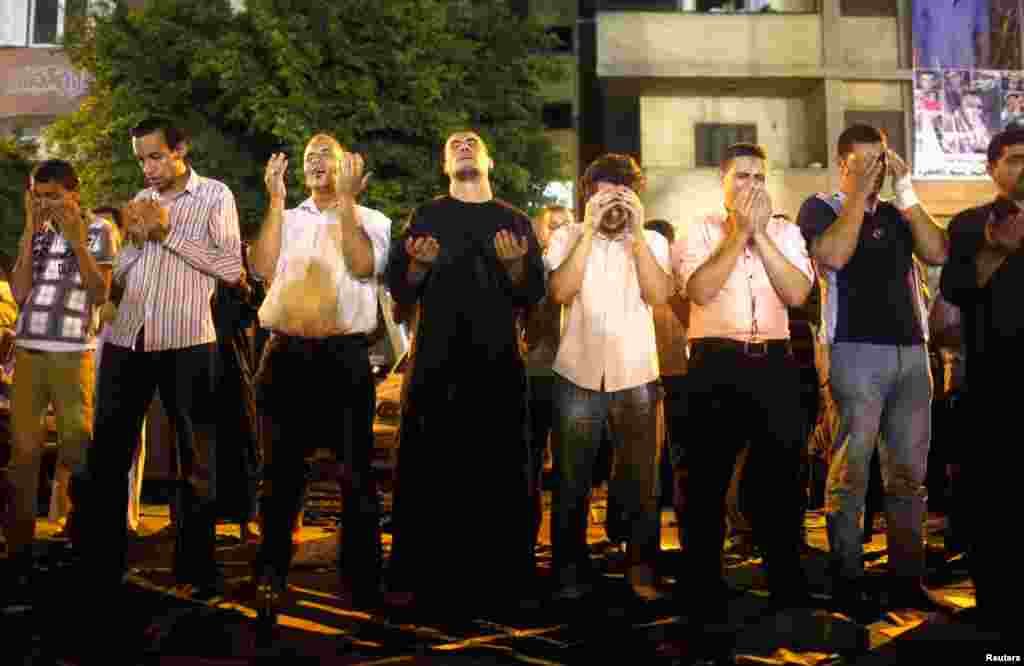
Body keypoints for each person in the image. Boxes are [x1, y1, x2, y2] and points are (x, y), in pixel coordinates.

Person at [77, 117, 243, 601]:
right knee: (108, 456)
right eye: (141, 160)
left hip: (188, 340)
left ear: (180, 150)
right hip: (128, 339)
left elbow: (232, 267)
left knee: (195, 462)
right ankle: (102, 564)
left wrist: (166, 234)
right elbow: (126, 267)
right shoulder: (140, 203)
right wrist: (128, 245)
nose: (147, 168)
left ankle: (196, 571)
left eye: (155, 157)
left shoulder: (215, 196)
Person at [385, 130, 545, 613]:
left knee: (502, 470)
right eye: (454, 144)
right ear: (444, 165)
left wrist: (516, 267)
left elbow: (532, 294)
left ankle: (505, 578)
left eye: (472, 142)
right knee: (427, 470)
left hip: (497, 365)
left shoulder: (513, 221)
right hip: (435, 365)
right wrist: (415, 267)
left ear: (490, 161)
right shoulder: (427, 217)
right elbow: (401, 292)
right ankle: (421, 578)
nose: (463, 146)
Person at [797, 124, 948, 617]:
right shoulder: (820, 207)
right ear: (843, 164)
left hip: (911, 352)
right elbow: (835, 255)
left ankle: (908, 579)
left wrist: (904, 191)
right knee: (851, 471)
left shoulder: (898, 211)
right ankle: (848, 579)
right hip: (854, 351)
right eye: (863, 162)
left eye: (880, 161)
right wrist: (858, 195)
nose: (874, 171)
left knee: (909, 474)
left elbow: (937, 251)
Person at [676, 143, 813, 655]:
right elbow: (701, 290)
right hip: (715, 359)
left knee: (781, 477)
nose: (751, 185)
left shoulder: (787, 230)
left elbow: (798, 294)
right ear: (723, 182)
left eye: (758, 176)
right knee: (705, 480)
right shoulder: (701, 232)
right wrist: (739, 234)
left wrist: (761, 234)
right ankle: (702, 588)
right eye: (741, 177)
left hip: (774, 361)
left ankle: (787, 585)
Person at [249, 133, 391, 610]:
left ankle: (362, 580)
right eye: (308, 157)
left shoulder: (372, 220)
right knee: (279, 473)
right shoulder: (285, 219)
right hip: (284, 354)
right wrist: (273, 200)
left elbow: (362, 262)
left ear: (349, 166)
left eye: (325, 156)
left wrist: (346, 203)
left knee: (355, 473)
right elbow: (261, 266)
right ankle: (271, 570)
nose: (314, 163)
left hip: (343, 358)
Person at [545, 154, 673, 602]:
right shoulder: (566, 236)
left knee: (642, 481)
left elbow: (659, 295)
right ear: (588, 195)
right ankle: (567, 569)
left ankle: (641, 567)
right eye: (605, 192)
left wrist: (636, 234)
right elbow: (560, 291)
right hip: (577, 372)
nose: (614, 203)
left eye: (624, 192)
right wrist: (587, 230)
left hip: (637, 371)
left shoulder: (653, 240)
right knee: (571, 479)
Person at [1, 160, 115, 598]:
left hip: (72, 354)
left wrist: (75, 243)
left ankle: (83, 543)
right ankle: (19, 550)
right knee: (23, 454)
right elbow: (21, 291)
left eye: (52, 195)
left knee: (76, 450)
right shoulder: (37, 230)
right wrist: (31, 231)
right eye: (38, 195)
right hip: (29, 352)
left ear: (74, 193)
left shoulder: (100, 229)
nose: (45, 203)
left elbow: (100, 291)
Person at [939, 127, 1024, 634]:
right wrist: (998, 252)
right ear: (992, 169)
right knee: (994, 505)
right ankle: (997, 620)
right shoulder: (971, 224)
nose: (1022, 169)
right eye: (1013, 160)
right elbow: (955, 291)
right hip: (992, 385)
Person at [523, 205, 573, 552]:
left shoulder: (581, 263)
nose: (558, 232)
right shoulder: (532, 268)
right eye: (552, 226)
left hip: (575, 372)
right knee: (531, 459)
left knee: (572, 465)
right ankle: (527, 536)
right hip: (538, 371)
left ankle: (567, 546)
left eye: (564, 226)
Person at [643, 220, 690, 548]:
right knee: (674, 457)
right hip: (665, 371)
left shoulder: (665, 282)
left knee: (656, 458)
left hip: (666, 371)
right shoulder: (665, 282)